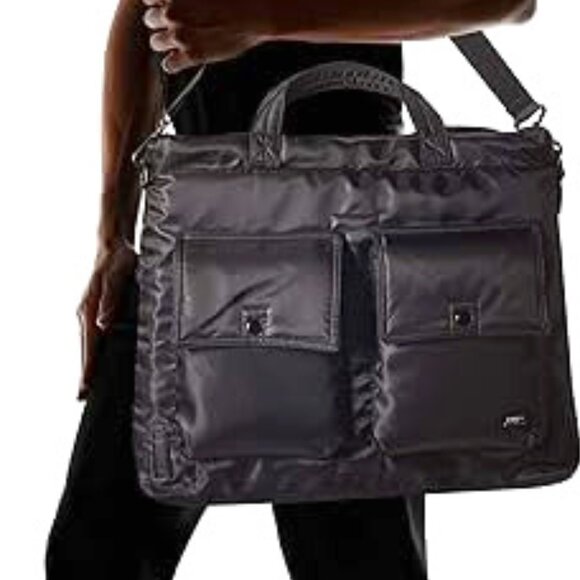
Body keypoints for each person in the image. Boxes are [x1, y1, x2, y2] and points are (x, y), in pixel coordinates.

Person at [43, 0, 499, 577]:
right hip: (190, 233)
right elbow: (142, 12)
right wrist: (112, 234)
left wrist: (265, 18)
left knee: (359, 561)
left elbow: (508, 4)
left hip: (346, 244)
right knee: (93, 555)